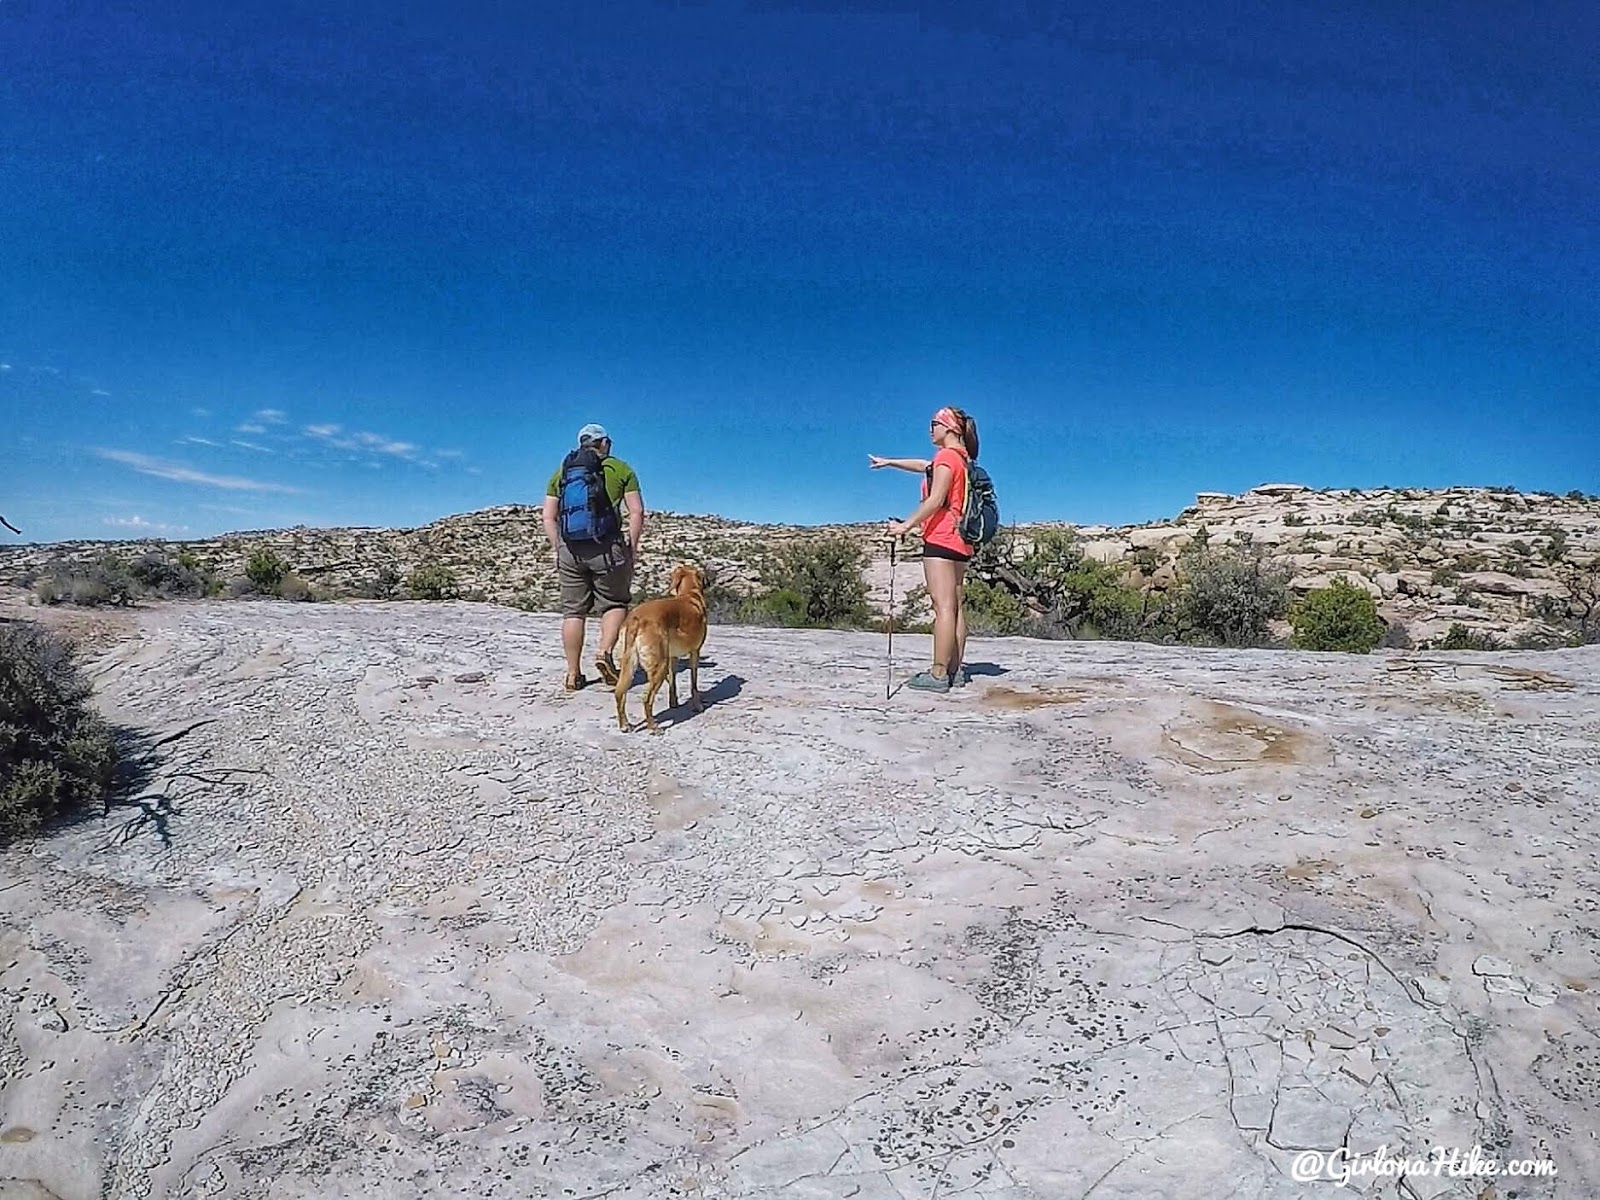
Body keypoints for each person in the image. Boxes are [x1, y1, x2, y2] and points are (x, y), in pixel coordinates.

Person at [870, 406, 980, 693]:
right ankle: (955, 670)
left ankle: (938, 673)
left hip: (941, 537)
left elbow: (935, 500)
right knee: (955, 607)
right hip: (961, 540)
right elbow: (924, 466)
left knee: (942, 606)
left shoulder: (945, 457)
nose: (930, 429)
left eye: (934, 424)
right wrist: (889, 462)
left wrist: (905, 526)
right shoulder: (962, 460)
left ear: (949, 427)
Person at [542, 423, 645, 691]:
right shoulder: (621, 469)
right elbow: (637, 512)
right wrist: (631, 548)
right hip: (607, 548)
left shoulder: (562, 471)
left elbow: (548, 516)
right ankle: (604, 652)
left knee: (574, 612)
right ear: (604, 443)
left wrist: (559, 546)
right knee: (614, 603)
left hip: (570, 549)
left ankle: (573, 674)